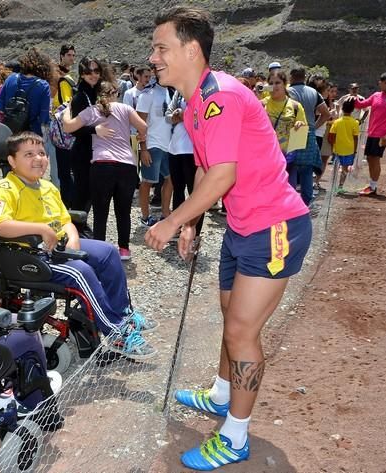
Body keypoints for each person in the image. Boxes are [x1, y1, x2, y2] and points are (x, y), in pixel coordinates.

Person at [145, 7, 312, 470]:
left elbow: (223, 174)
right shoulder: (196, 100)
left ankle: (236, 437)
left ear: (191, 49)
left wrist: (172, 220)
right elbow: (204, 167)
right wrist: (195, 222)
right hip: (243, 225)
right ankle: (222, 394)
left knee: (242, 330)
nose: (153, 56)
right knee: (229, 315)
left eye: (161, 47)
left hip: (274, 227)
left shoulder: (220, 97)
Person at [0, 131, 158, 360]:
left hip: (58, 246)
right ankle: (116, 332)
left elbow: (65, 220)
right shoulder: (4, 189)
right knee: (81, 272)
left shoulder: (47, 187)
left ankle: (124, 314)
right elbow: (0, 225)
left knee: (107, 252)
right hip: (30, 254)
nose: (38, 159)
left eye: (41, 153)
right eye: (29, 154)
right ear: (12, 161)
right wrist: (42, 229)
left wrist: (73, 238)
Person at [62, 81, 148, 260]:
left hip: (102, 164)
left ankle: (100, 249)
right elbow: (144, 126)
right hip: (126, 165)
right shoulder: (125, 108)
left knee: (101, 212)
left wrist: (67, 110)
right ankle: (124, 249)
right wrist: (140, 136)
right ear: (115, 92)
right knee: (123, 211)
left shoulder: (92, 110)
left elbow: (68, 127)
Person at [69, 57, 111, 215]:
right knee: (82, 194)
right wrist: (94, 130)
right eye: (88, 72)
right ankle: (76, 230)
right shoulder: (80, 96)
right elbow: (73, 129)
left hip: (97, 151)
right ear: (81, 74)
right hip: (83, 152)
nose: (93, 75)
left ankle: (82, 228)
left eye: (96, 71)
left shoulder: (99, 93)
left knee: (94, 194)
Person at [352, 72, 386, 196]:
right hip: (371, 133)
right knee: (370, 158)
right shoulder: (375, 95)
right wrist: (354, 97)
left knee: (375, 159)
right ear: (380, 83)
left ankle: (373, 186)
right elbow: (361, 104)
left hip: (382, 135)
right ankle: (372, 185)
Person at [287, 67, 330, 206]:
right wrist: (314, 127)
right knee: (307, 169)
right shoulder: (314, 92)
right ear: (304, 77)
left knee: (291, 167)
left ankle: (290, 204)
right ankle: (306, 204)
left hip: (293, 131)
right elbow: (326, 114)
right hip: (309, 132)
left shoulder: (288, 91)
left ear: (291, 77)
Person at [137, 68, 174, 226]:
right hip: (152, 144)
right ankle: (145, 217)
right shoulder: (148, 94)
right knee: (147, 182)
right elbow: (140, 124)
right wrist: (143, 148)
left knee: (171, 180)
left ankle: (165, 213)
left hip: (169, 145)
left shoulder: (172, 92)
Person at [165, 89, 204, 235]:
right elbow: (168, 115)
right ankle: (177, 227)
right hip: (175, 148)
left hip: (193, 151)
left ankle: (194, 231)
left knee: (195, 193)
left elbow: (202, 117)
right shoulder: (179, 92)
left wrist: (184, 115)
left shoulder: (204, 91)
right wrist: (176, 116)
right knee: (178, 190)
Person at [0, 47, 52, 136]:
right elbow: (44, 119)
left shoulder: (10, 78)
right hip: (32, 134)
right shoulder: (43, 86)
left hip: (10, 132)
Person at [261, 70, 307, 163]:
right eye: (271, 83)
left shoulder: (295, 106)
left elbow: (302, 135)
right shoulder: (261, 105)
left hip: (287, 159)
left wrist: (300, 125)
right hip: (265, 156)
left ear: (285, 84)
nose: (273, 86)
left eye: (277, 83)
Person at [52, 44, 77, 208]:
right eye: (69, 55)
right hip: (58, 126)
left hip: (63, 128)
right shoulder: (58, 77)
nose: (72, 58)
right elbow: (65, 103)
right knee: (59, 169)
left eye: (73, 55)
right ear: (61, 56)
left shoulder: (67, 77)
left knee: (64, 168)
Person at [328, 99, 360, 192]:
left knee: (335, 167)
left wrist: (332, 147)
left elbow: (331, 137)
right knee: (344, 169)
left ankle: (333, 185)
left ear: (342, 109)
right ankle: (340, 186)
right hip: (349, 150)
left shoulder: (337, 122)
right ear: (352, 110)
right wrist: (354, 150)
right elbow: (355, 138)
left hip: (337, 149)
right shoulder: (355, 123)